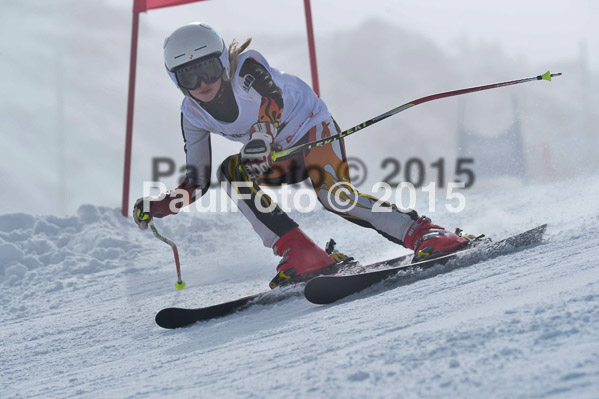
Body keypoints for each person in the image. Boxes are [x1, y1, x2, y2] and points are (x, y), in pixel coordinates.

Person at [133, 22, 470, 287]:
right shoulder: (192, 114)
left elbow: (271, 98)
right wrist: (164, 203)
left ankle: (426, 232)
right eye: (189, 76)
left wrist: (262, 136)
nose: (202, 83)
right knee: (228, 172)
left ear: (223, 61)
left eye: (208, 69)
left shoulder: (246, 68)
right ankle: (302, 252)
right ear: (176, 80)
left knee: (335, 197)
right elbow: (198, 180)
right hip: (276, 157)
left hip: (313, 133)